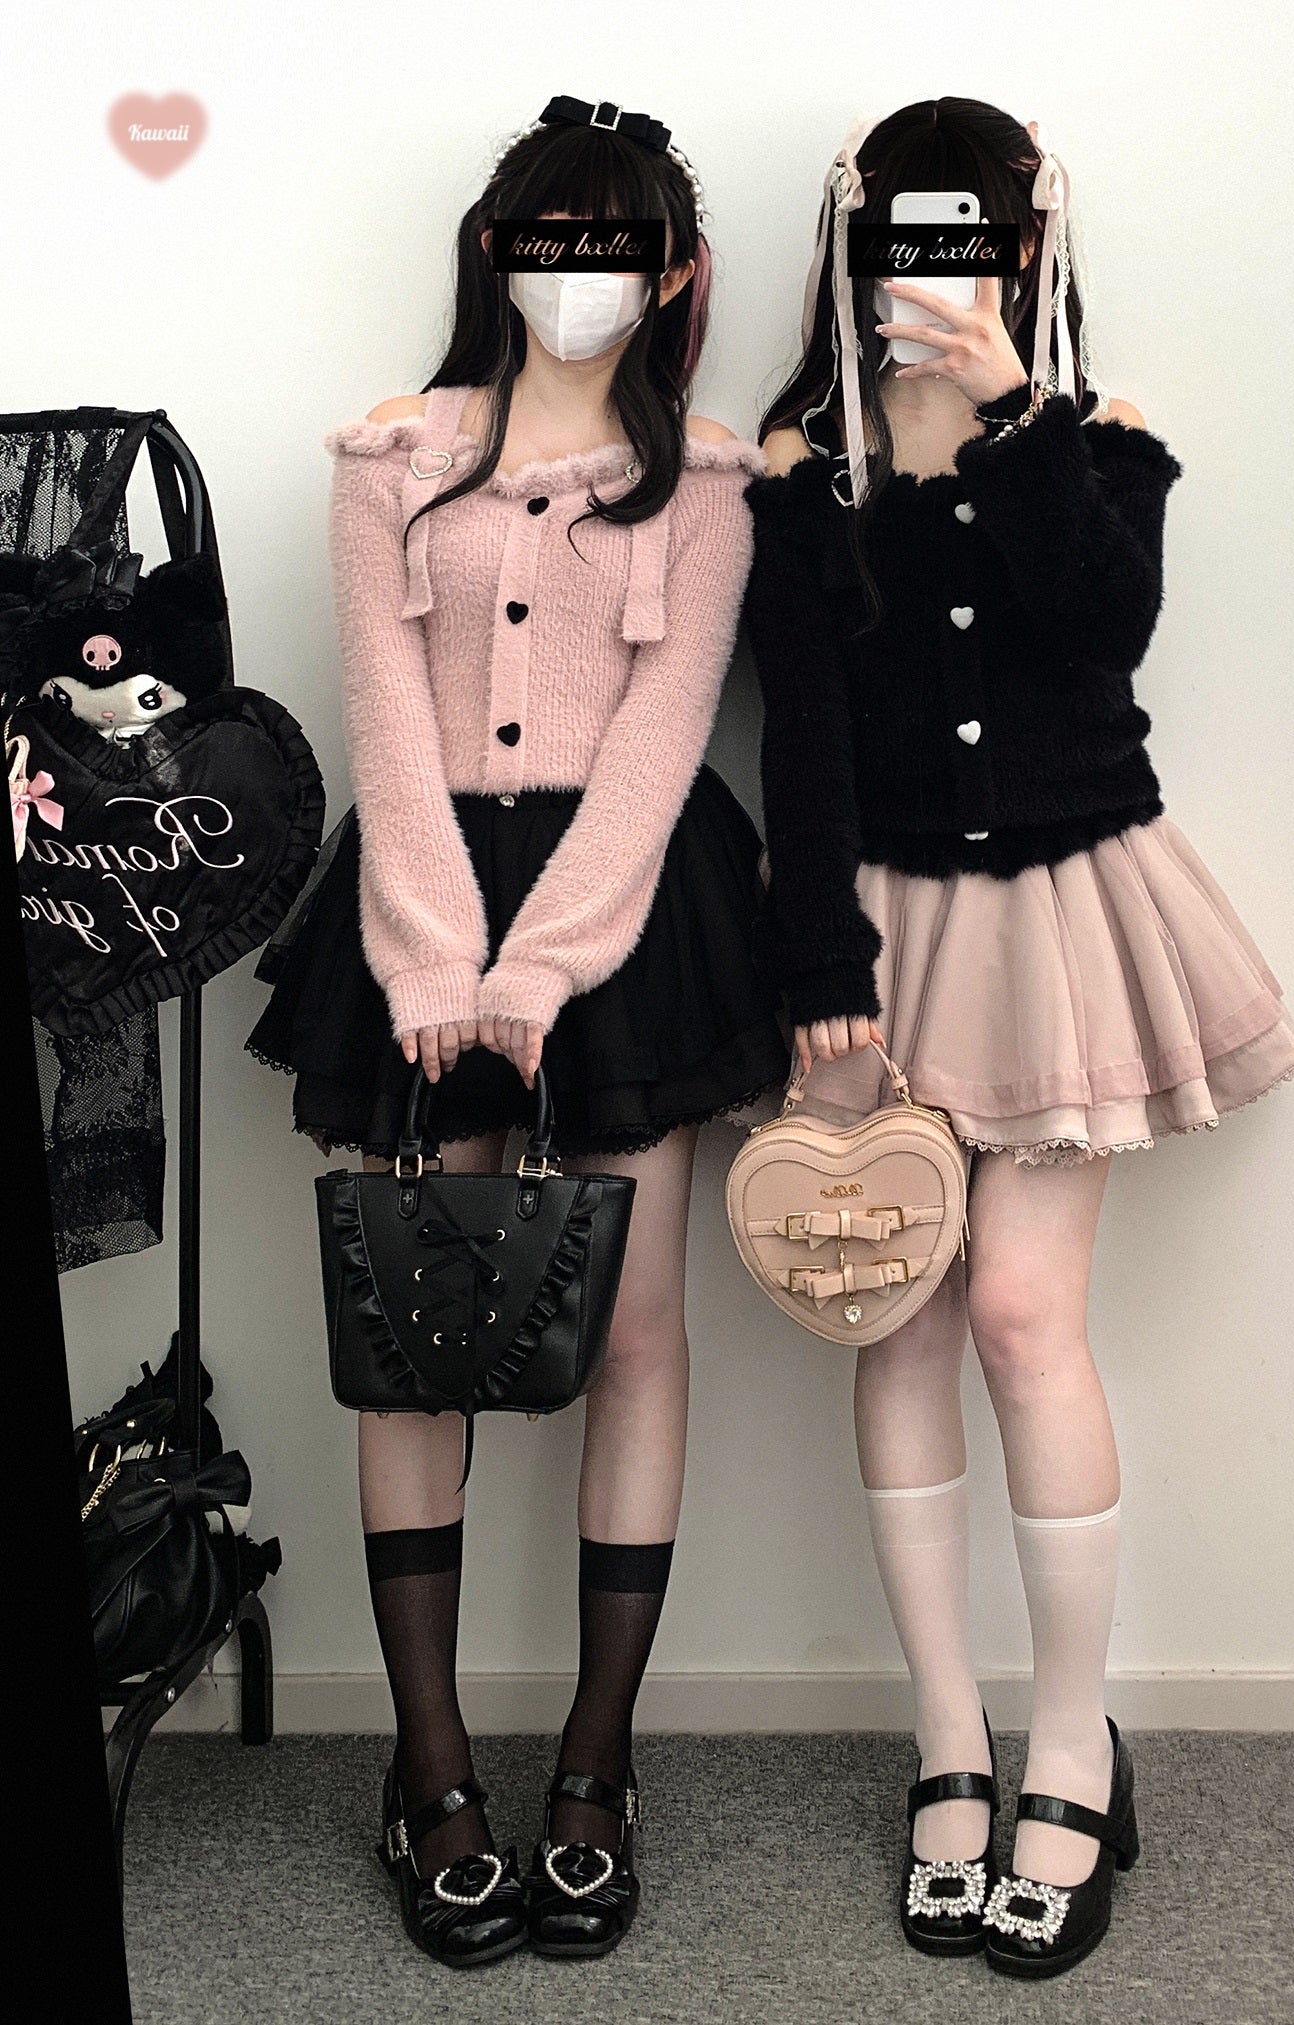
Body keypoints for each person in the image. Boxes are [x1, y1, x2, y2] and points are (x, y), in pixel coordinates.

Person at [743, 96, 1294, 1979]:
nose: (940, 266)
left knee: (1018, 1316)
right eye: (908, 236)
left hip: (1068, 919)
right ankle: (948, 1742)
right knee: (892, 1305)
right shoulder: (803, 466)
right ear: (857, 247)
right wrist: (817, 951)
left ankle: (1075, 1741)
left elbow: (1107, 630)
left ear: (1027, 245)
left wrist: (1011, 414)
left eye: (971, 235)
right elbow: (802, 726)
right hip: (878, 932)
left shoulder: (1097, 436)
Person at [248, 95, 787, 1967]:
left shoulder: (705, 481)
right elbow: (383, 707)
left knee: (631, 1330)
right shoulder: (389, 455)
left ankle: (596, 1764)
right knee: (417, 1328)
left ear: (675, 273)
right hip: (420, 896)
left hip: (630, 914)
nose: (580, 275)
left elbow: (664, 734)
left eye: (615, 245)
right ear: (497, 252)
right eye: (551, 240)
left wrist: (546, 966)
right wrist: (429, 955)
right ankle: (430, 1768)